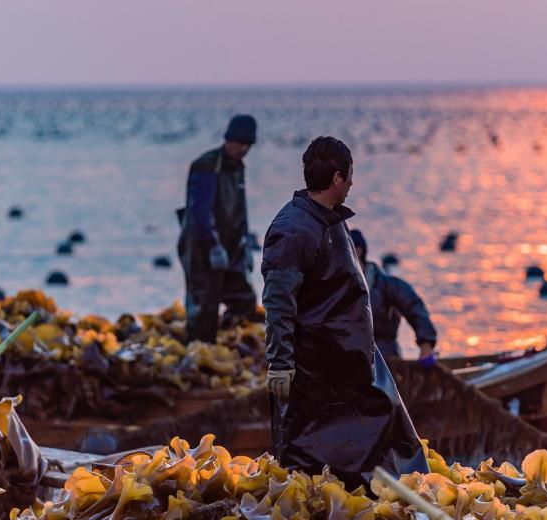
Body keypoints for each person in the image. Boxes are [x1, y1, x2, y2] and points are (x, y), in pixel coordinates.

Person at [260, 136, 428, 487]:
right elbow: (278, 301)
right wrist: (280, 363)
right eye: (350, 176)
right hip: (316, 369)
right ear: (337, 178)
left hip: (353, 362)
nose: (352, 183)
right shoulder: (292, 230)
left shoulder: (331, 219)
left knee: (390, 439)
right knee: (313, 459)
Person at [177, 114, 261, 343]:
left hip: (232, 247)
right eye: (240, 143)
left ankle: (229, 346)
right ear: (228, 139)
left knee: (244, 299)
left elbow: (239, 210)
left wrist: (245, 244)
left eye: (248, 145)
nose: (243, 149)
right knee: (204, 307)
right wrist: (212, 245)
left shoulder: (237, 168)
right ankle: (199, 354)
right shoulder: (206, 165)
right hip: (201, 249)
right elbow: (199, 212)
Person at [348, 229, 437, 364]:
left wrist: (426, 344)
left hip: (385, 359)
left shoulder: (387, 284)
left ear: (358, 251)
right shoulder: (336, 286)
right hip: (347, 361)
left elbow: (415, 307)